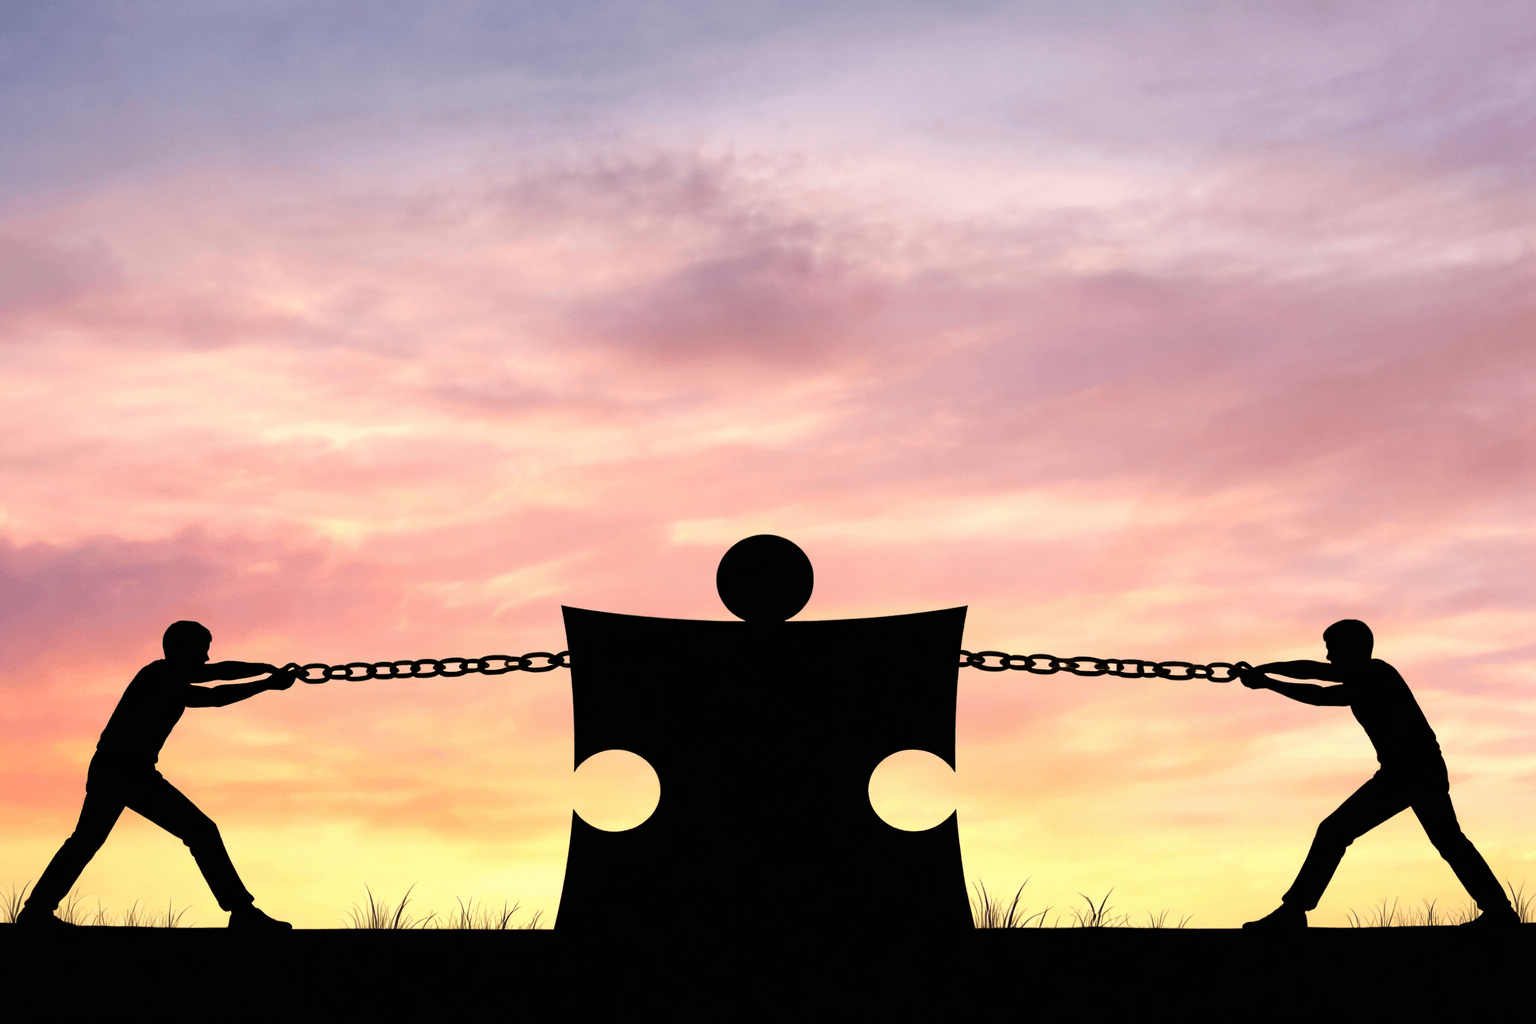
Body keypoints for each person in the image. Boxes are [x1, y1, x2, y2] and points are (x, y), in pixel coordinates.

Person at [1239, 619, 1519, 929]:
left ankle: (1293, 912)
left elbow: (1318, 680)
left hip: (1409, 772)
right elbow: (1318, 683)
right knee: (1449, 841)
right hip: (1416, 770)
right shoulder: (1365, 679)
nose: (1329, 657)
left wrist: (1266, 675)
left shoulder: (1376, 674)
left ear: (1352, 649)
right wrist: (1266, 675)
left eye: (1333, 649)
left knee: (1334, 831)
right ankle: (1500, 912)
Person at [18, 620, 297, 929]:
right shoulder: (159, 677)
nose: (206, 658)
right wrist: (267, 683)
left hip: (116, 769)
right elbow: (214, 695)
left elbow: (219, 671)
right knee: (200, 831)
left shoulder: (166, 672)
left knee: (85, 841)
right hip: (126, 772)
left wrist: (267, 668)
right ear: (182, 650)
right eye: (201, 651)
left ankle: (36, 911)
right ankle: (242, 912)